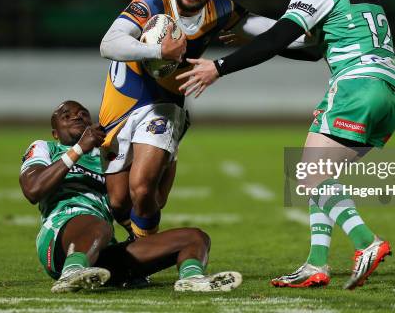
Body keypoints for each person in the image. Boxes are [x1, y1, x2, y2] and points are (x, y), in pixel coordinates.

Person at [176, 0, 395, 290]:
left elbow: (279, 37)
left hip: (356, 86)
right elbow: (314, 51)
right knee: (318, 175)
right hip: (390, 91)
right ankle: (316, 263)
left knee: (310, 174)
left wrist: (218, 67)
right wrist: (262, 38)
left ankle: (367, 242)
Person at [98, 0, 305, 239]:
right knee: (119, 201)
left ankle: (144, 260)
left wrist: (314, 34)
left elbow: (278, 33)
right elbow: (108, 44)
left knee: (143, 189)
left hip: (165, 105)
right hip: (122, 100)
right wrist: (158, 50)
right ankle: (140, 235)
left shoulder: (222, 11)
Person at [19, 100, 242, 293]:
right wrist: (78, 149)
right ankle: (72, 272)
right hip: (58, 241)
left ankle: (192, 280)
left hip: (101, 251)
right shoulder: (45, 147)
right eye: (66, 115)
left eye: (82, 113)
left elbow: (154, 199)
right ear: (55, 132)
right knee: (98, 225)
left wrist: (171, 147)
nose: (76, 116)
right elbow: (33, 189)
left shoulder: (111, 154)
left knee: (195, 237)